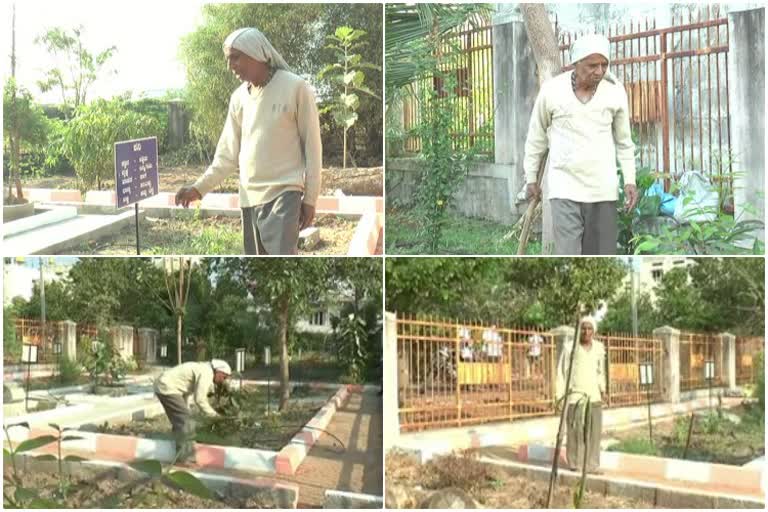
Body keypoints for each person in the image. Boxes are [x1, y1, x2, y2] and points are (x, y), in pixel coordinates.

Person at [175, 27, 322, 255]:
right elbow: (226, 157)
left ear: (256, 53)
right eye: (228, 59)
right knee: (259, 274)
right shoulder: (238, 99)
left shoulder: (296, 88)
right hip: (248, 200)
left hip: (284, 196)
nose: (230, 65)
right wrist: (198, 189)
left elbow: (313, 149)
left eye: (235, 57)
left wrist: (310, 198)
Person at [523, 34, 639, 255]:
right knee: (568, 257)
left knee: (601, 259)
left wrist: (630, 181)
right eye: (592, 65)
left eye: (604, 64)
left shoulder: (614, 92)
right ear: (575, 64)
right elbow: (536, 138)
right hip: (564, 188)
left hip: (602, 191)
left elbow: (624, 143)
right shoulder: (552, 91)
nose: (599, 71)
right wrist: (530, 178)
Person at [154, 359, 232, 465]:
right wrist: (214, 415)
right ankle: (185, 459)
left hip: (165, 385)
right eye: (224, 377)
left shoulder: (203, 369)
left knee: (182, 420)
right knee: (186, 422)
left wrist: (186, 409)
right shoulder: (206, 373)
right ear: (218, 371)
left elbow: (185, 391)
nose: (223, 381)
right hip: (166, 387)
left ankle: (180, 452)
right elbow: (200, 399)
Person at [555, 317, 606, 473]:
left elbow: (600, 371)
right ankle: (575, 463)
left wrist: (603, 390)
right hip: (575, 396)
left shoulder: (599, 348)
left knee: (594, 432)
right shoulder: (569, 348)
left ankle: (592, 465)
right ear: (579, 330)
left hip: (594, 396)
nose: (586, 332)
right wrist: (560, 397)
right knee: (575, 431)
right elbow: (562, 373)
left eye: (590, 328)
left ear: (594, 331)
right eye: (583, 328)